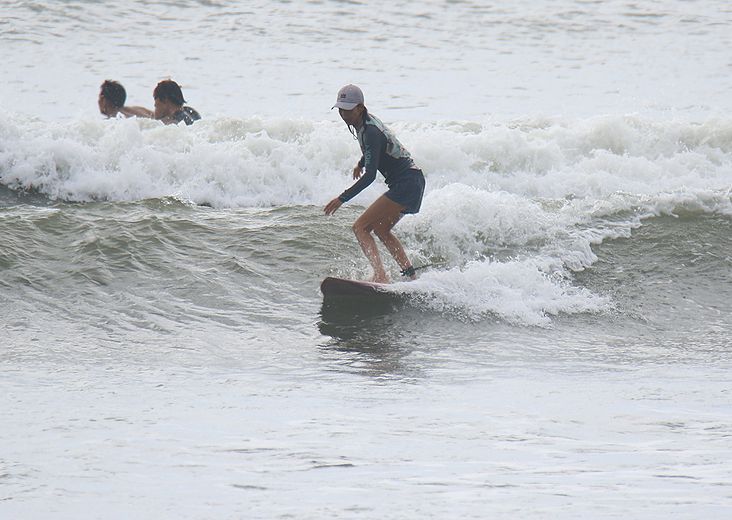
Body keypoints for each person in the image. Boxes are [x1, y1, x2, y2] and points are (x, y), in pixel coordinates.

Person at [324, 84, 426, 283]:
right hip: (413, 180)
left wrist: (342, 198)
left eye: (348, 109)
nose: (344, 114)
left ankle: (380, 275)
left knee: (360, 227)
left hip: (406, 183)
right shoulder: (365, 124)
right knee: (381, 229)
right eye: (341, 110)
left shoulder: (370, 131)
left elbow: (370, 176)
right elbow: (376, 148)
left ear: (360, 108)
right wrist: (361, 163)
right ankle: (410, 274)